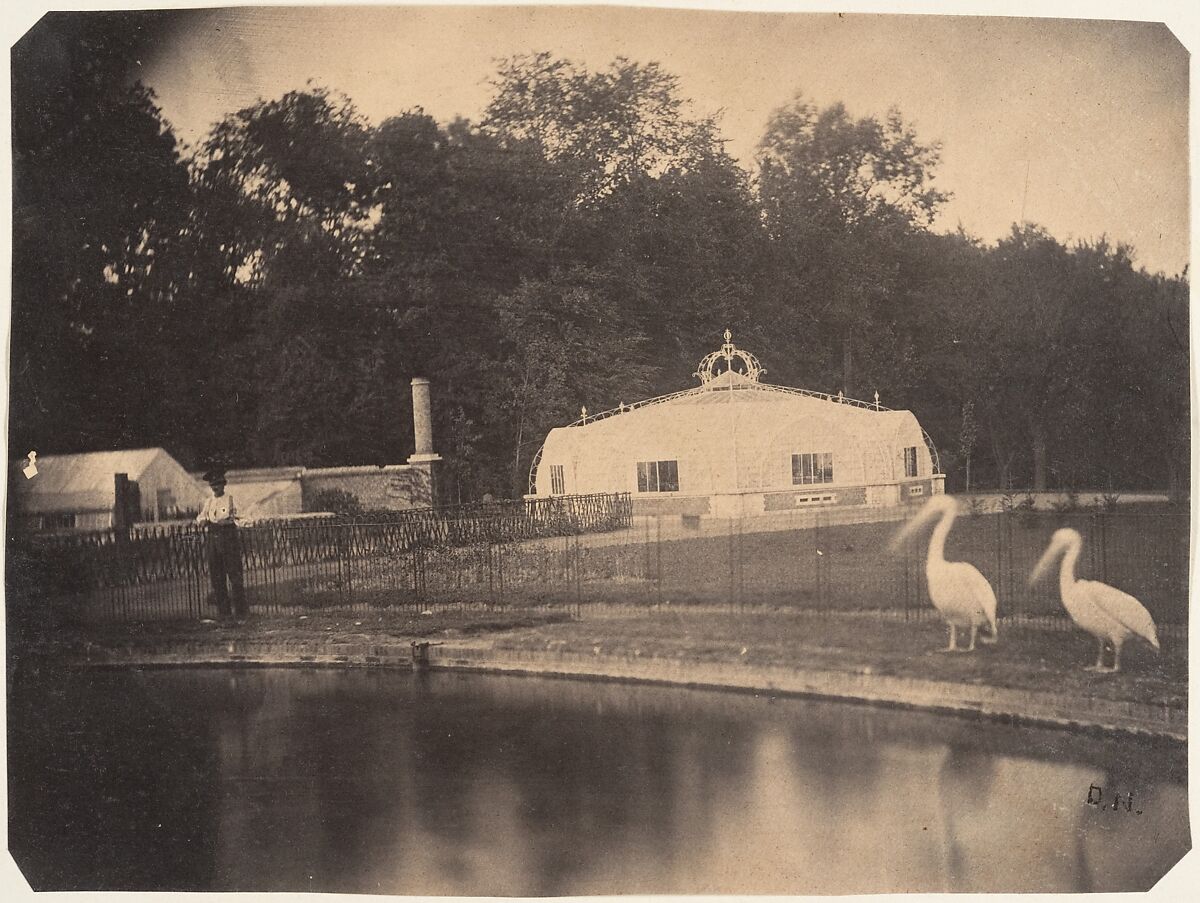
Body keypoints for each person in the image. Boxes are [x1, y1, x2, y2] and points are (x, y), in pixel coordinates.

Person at [196, 469, 248, 622]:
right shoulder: (209, 501)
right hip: (213, 540)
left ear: (223, 484)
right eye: (212, 485)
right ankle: (224, 613)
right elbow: (200, 517)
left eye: (218, 484)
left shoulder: (231, 499)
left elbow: (243, 517)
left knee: (235, 576)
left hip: (228, 539)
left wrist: (232, 521)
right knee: (217, 578)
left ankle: (241, 613)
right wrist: (202, 521)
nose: (215, 487)